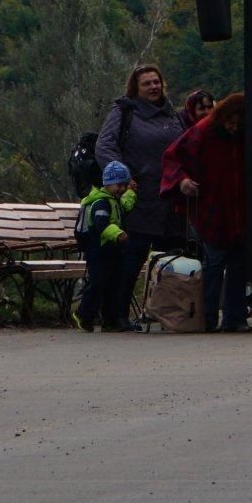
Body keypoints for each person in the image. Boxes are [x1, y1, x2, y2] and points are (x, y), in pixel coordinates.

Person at [95, 65, 187, 328]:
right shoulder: (124, 112)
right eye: (146, 83)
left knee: (175, 258)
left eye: (156, 81)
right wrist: (121, 177)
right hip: (137, 199)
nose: (153, 87)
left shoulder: (173, 114)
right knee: (131, 259)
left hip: (170, 198)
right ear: (135, 88)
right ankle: (117, 315)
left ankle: (173, 314)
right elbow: (105, 145)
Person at [164, 93, 252, 331]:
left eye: (239, 123)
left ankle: (235, 318)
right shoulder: (203, 131)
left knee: (238, 265)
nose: (234, 127)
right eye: (231, 121)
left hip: (239, 209)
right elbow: (173, 156)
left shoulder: (247, 134)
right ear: (223, 117)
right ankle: (208, 318)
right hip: (212, 208)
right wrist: (182, 181)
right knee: (214, 263)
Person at [75, 162, 137, 331]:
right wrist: (117, 234)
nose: (122, 188)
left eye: (124, 185)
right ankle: (84, 314)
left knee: (114, 285)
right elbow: (101, 225)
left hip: (114, 251)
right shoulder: (101, 203)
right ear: (107, 183)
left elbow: (126, 204)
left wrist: (131, 192)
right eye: (119, 185)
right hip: (98, 251)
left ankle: (110, 320)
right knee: (98, 284)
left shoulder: (115, 201)